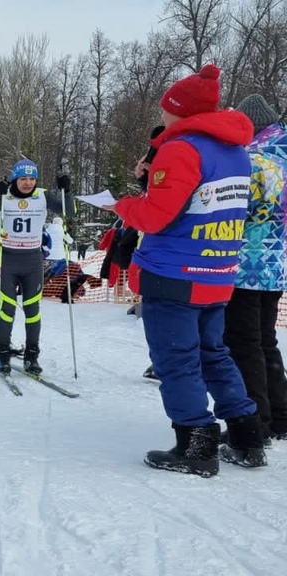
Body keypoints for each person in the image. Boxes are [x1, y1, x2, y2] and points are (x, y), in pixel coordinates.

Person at [115, 64, 265, 476]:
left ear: (180, 112)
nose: (162, 116)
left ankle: (195, 442)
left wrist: (122, 205)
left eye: (166, 109)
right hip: (216, 271)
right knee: (214, 354)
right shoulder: (233, 150)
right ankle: (245, 434)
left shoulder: (181, 148)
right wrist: (152, 178)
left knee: (176, 360)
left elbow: (158, 216)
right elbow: (198, 201)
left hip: (175, 273)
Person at [224, 93, 287, 444]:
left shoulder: (254, 162)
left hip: (246, 264)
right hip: (276, 264)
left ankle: (257, 419)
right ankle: (280, 415)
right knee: (265, 340)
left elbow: (238, 210)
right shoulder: (284, 156)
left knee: (243, 343)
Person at [0, 159, 64, 375]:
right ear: (15, 178)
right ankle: (3, 355)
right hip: (7, 258)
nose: (28, 183)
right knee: (7, 309)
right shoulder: (5, 195)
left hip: (32, 259)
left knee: (32, 309)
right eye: (23, 178)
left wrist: (65, 191)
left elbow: (69, 211)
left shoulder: (42, 195)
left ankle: (32, 356)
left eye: (32, 178)